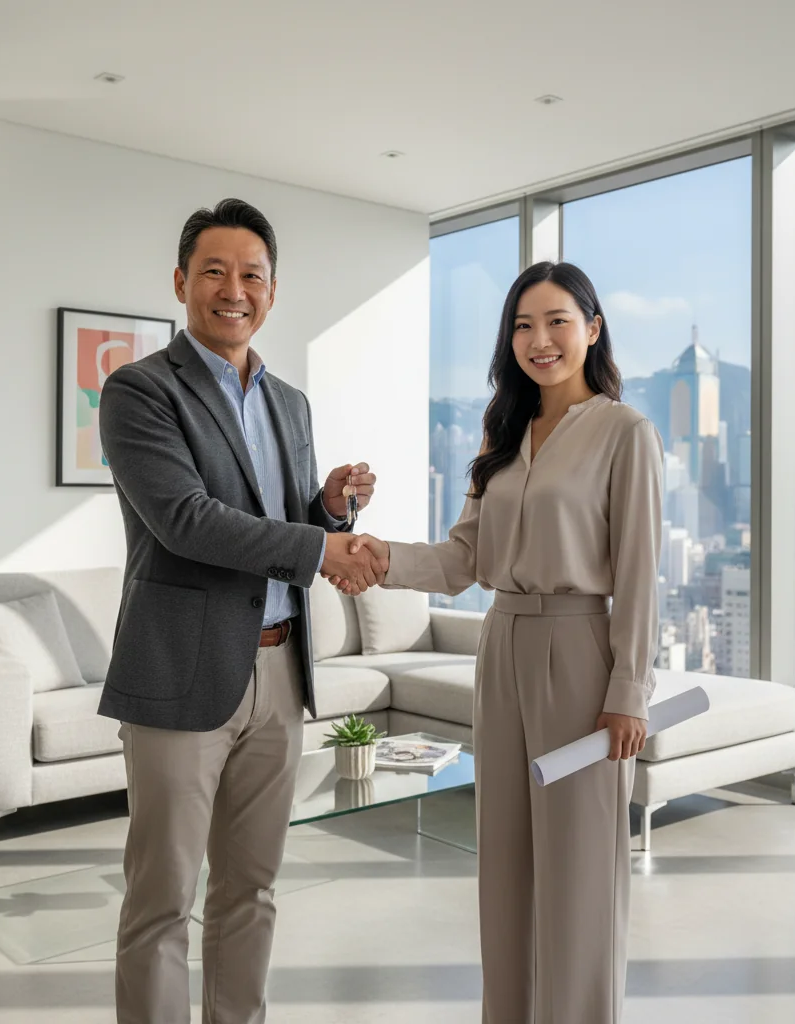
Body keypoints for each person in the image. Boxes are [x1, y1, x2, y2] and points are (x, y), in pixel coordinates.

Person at [328, 261, 663, 1023]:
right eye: (522, 324)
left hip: (582, 654)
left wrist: (628, 693)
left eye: (556, 322)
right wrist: (381, 557)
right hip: (501, 645)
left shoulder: (625, 432)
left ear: (593, 329)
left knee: (580, 873)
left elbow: (642, 574)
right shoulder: (502, 431)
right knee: (505, 869)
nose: (538, 340)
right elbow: (463, 559)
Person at [97, 198, 386, 1024]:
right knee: (161, 900)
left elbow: (281, 516)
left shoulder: (289, 402)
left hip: (279, 666)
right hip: (181, 672)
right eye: (215, 271)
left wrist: (327, 510)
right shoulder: (138, 390)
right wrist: (319, 550)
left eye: (251, 274)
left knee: (252, 891)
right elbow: (184, 520)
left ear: (272, 288)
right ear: (182, 281)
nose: (234, 289)